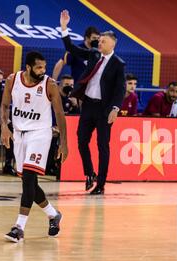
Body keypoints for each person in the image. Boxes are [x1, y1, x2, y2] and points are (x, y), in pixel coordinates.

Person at [0, 51, 68, 242]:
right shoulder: (13, 80)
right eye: (39, 67)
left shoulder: (50, 85)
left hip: (40, 134)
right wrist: (5, 127)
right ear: (28, 67)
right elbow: (4, 106)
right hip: (19, 134)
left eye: (44, 67)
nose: (43, 70)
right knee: (30, 183)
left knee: (29, 177)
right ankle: (53, 215)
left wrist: (64, 142)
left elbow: (60, 114)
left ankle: (19, 227)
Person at [60, 10, 125, 195]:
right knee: (81, 141)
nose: (99, 43)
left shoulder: (118, 64)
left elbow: (120, 89)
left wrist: (115, 108)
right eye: (99, 41)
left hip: (104, 110)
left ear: (113, 43)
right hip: (88, 105)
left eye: (103, 41)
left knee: (102, 146)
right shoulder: (94, 55)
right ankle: (89, 173)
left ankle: (101, 185)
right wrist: (64, 28)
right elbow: (73, 50)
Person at [0, 67, 16, 175]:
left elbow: (6, 108)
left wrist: (4, 122)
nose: (0, 83)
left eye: (1, 80)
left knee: (11, 131)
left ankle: (8, 164)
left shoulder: (3, 92)